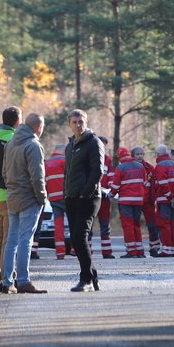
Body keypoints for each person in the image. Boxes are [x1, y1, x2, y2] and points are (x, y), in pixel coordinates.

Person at [0, 113, 48, 294]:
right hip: (29, 198)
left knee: (11, 241)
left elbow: (4, 172)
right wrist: (42, 198)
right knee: (25, 240)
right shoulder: (34, 145)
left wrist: (12, 188)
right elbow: (38, 177)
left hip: (12, 196)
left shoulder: (11, 143)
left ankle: (7, 282)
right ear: (38, 127)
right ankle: (23, 281)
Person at [64, 109, 105, 292]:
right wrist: (67, 193)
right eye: (75, 122)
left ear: (86, 122)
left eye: (81, 121)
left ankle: (86, 279)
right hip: (71, 197)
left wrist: (85, 192)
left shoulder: (94, 142)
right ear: (69, 124)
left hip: (88, 198)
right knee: (75, 238)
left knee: (80, 238)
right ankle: (93, 277)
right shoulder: (70, 145)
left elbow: (98, 171)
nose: (78, 125)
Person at [0, 106, 21, 293]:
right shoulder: (13, 139)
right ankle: (7, 279)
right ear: (17, 121)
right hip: (9, 192)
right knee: (8, 239)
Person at [110, 146, 148, 258]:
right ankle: (140, 251)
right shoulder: (140, 166)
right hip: (139, 201)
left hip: (126, 201)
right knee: (136, 225)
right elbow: (145, 182)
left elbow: (115, 185)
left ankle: (131, 251)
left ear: (119, 157)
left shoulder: (121, 168)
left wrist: (111, 194)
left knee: (128, 226)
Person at [153, 144, 174, 257]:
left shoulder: (160, 165)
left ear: (158, 154)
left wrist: (170, 196)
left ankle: (167, 250)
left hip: (165, 200)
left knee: (164, 224)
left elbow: (162, 183)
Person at [132, 146, 162, 257]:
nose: (140, 156)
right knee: (135, 224)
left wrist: (154, 197)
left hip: (148, 201)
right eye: (137, 154)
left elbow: (154, 183)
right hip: (136, 200)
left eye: (141, 154)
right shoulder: (130, 167)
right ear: (133, 156)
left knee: (152, 225)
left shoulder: (149, 167)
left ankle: (154, 248)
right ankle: (136, 249)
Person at [44, 143, 68, 259]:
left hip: (54, 198)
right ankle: (75, 249)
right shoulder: (65, 161)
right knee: (74, 224)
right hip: (67, 197)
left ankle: (60, 252)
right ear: (64, 151)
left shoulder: (47, 163)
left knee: (58, 225)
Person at [96, 136, 115, 259]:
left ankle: (107, 252)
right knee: (88, 227)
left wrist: (111, 190)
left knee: (105, 226)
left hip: (104, 198)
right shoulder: (89, 158)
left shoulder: (108, 161)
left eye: (104, 145)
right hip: (91, 198)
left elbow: (112, 177)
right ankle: (88, 252)